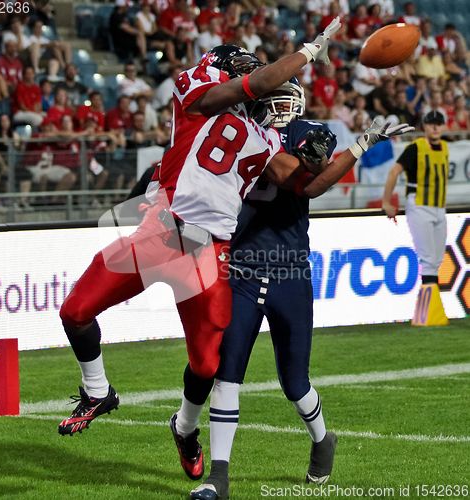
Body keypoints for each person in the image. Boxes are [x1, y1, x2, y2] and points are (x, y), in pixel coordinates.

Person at [56, 18, 343, 438]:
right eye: (238, 68)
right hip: (164, 231)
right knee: (75, 311)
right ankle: (97, 391)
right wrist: (309, 51)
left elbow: (307, 183)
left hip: (209, 253)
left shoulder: (263, 140)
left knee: (207, 364)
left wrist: (346, 151)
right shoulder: (195, 92)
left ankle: (185, 428)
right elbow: (257, 83)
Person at [190, 84, 414, 500]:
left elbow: (312, 184)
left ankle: (322, 439)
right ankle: (219, 477)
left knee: (295, 382)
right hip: (240, 268)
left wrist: (359, 146)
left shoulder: (300, 130)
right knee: (228, 372)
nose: (278, 107)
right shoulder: (241, 132)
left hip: (289, 270)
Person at [382, 110, 449, 326]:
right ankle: (426, 314)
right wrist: (386, 202)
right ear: (425, 127)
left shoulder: (446, 148)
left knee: (436, 260)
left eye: (438, 124)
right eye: (431, 124)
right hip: (419, 206)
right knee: (428, 259)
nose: (435, 128)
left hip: (439, 207)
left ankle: (427, 311)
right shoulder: (416, 148)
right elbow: (394, 172)